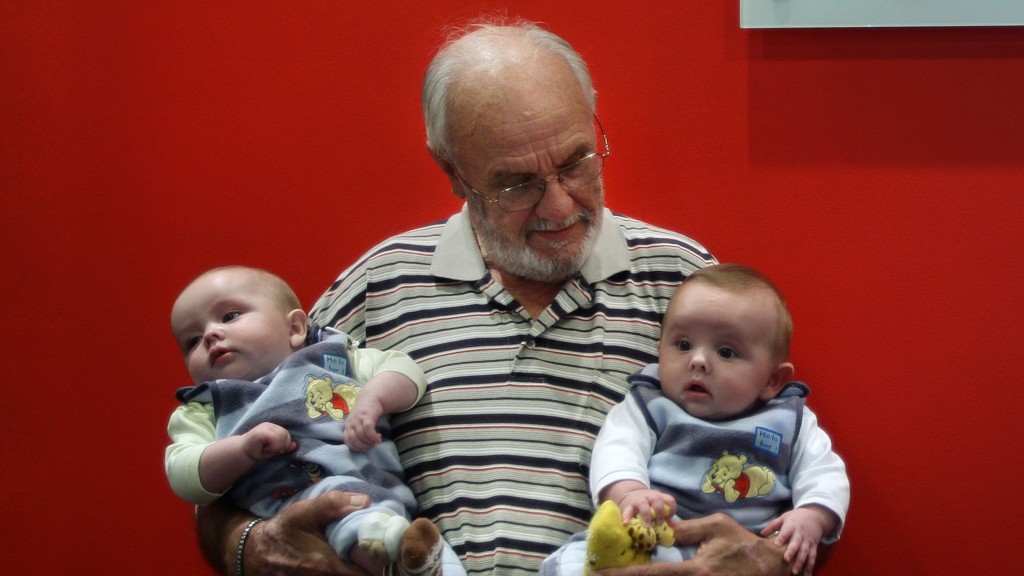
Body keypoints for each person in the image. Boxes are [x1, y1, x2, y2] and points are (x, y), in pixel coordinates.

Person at [197, 19, 827, 576]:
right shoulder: (376, 287)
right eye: (516, 183)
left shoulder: (688, 284)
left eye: (577, 161)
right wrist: (249, 545)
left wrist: (767, 560)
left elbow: (790, 465)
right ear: (451, 171)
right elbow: (227, 474)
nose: (559, 204)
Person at [540, 264, 850, 576]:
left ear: (773, 380)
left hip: (737, 554)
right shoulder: (649, 406)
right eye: (683, 345)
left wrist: (812, 516)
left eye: (726, 352)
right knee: (570, 563)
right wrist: (630, 493)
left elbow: (825, 473)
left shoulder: (790, 421)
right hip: (655, 537)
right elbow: (617, 449)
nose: (698, 360)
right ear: (660, 352)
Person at [165, 266, 466, 576]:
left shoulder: (334, 358)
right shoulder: (206, 408)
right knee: (358, 527)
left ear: (295, 327)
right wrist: (241, 449)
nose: (210, 335)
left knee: (420, 543)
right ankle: (400, 562)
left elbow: (403, 369)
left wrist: (374, 397)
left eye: (229, 316)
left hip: (382, 493)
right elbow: (185, 474)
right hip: (301, 520)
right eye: (193, 340)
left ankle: (416, 561)